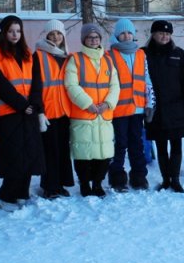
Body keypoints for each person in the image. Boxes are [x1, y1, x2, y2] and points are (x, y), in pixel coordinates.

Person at [0, 16, 44, 209]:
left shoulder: (28, 53)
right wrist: (20, 104)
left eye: (18, 31)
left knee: (28, 154)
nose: (15, 35)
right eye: (11, 31)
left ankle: (22, 192)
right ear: (4, 33)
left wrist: (34, 103)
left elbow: (37, 81)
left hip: (29, 112)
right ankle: (6, 195)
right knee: (13, 156)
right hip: (9, 112)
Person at [65, 23, 120, 197]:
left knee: (103, 153)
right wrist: (87, 103)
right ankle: (84, 184)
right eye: (90, 37)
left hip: (103, 115)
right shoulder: (76, 59)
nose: (94, 40)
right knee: (83, 153)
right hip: (83, 115)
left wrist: (108, 104)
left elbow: (115, 86)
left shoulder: (108, 60)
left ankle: (97, 183)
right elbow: (71, 85)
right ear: (84, 39)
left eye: (96, 37)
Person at [144, 20, 184, 193]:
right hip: (154, 109)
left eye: (167, 34)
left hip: (176, 107)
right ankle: (165, 179)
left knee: (176, 145)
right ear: (153, 34)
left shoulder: (178, 53)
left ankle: (175, 179)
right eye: (161, 33)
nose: (164, 36)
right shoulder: (144, 54)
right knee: (160, 145)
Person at [106, 19, 154, 192]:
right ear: (117, 35)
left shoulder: (141, 54)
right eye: (123, 33)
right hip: (118, 110)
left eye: (129, 33)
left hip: (138, 108)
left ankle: (139, 177)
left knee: (137, 144)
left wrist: (150, 103)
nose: (126, 36)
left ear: (133, 35)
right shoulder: (110, 55)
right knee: (119, 144)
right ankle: (117, 178)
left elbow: (146, 80)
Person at [35, 19, 75, 199]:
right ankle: (49, 186)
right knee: (49, 151)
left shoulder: (68, 56)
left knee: (63, 150)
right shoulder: (39, 55)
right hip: (48, 110)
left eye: (59, 33)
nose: (55, 37)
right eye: (52, 34)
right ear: (47, 35)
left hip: (65, 111)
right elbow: (35, 85)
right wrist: (39, 110)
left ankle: (60, 184)